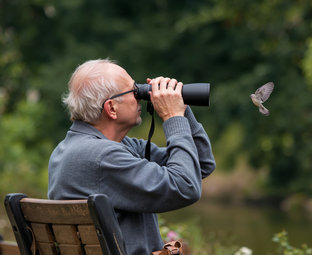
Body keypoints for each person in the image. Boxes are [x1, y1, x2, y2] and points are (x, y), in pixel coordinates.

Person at [47, 59, 216, 255]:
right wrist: (172, 117)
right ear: (111, 108)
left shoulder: (75, 148)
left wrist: (181, 108)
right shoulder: (103, 157)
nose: (140, 97)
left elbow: (200, 164)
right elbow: (185, 186)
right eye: (133, 91)